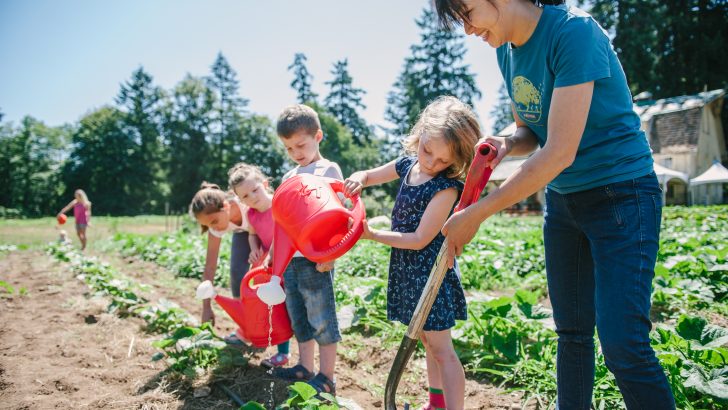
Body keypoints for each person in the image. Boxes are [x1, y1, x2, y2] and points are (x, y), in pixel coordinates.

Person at [434, 1, 675, 409]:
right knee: (572, 333)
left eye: (467, 12)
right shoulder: (505, 51)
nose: (467, 29)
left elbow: (560, 150)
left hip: (621, 194)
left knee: (623, 343)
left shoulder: (573, 34)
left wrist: (475, 215)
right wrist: (507, 142)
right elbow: (531, 128)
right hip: (565, 201)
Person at [344, 96, 479, 410]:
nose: (431, 163)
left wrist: (373, 234)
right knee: (429, 343)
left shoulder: (445, 188)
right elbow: (370, 175)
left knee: (443, 349)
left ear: (455, 160)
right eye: (427, 151)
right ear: (420, 136)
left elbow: (420, 239)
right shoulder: (407, 165)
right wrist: (359, 178)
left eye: (442, 161)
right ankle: (436, 403)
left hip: (431, 276)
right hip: (409, 274)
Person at [271, 104, 343, 397]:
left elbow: (338, 216)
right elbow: (282, 221)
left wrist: (332, 254)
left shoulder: (328, 170)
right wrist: (273, 258)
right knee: (298, 314)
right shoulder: (289, 177)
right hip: (291, 259)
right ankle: (304, 367)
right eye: (289, 148)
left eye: (300, 144)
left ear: (318, 136)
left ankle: (326, 376)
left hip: (316, 258)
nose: (296, 152)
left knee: (321, 315)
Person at [188, 180, 290, 367]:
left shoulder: (247, 201)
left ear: (226, 206)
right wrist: (206, 307)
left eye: (214, 221)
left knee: (262, 278)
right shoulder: (216, 226)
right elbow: (210, 267)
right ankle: (248, 325)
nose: (213, 227)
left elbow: (270, 214)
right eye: (207, 225)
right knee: (237, 274)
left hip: (265, 229)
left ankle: (272, 329)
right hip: (245, 233)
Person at [228, 162, 292, 368]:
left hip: (286, 262)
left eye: (255, 190)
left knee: (290, 306)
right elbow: (253, 235)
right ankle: (283, 353)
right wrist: (254, 248)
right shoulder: (251, 215)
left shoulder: (279, 205)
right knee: (274, 306)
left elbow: (282, 232)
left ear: (265, 184)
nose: (252, 197)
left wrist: (269, 254)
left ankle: (300, 350)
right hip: (267, 266)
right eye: (245, 196)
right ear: (239, 199)